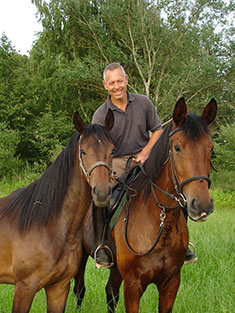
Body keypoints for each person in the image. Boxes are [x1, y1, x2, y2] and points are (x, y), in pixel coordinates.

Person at [91, 62, 197, 268]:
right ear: (105, 85)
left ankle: (183, 245)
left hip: (145, 158)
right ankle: (101, 245)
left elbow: (158, 130)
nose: (116, 86)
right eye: (111, 83)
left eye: (119, 81)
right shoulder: (100, 114)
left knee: (175, 187)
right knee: (102, 197)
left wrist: (146, 152)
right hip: (117, 161)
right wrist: (107, 169)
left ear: (127, 79)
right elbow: (97, 146)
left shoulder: (143, 103)